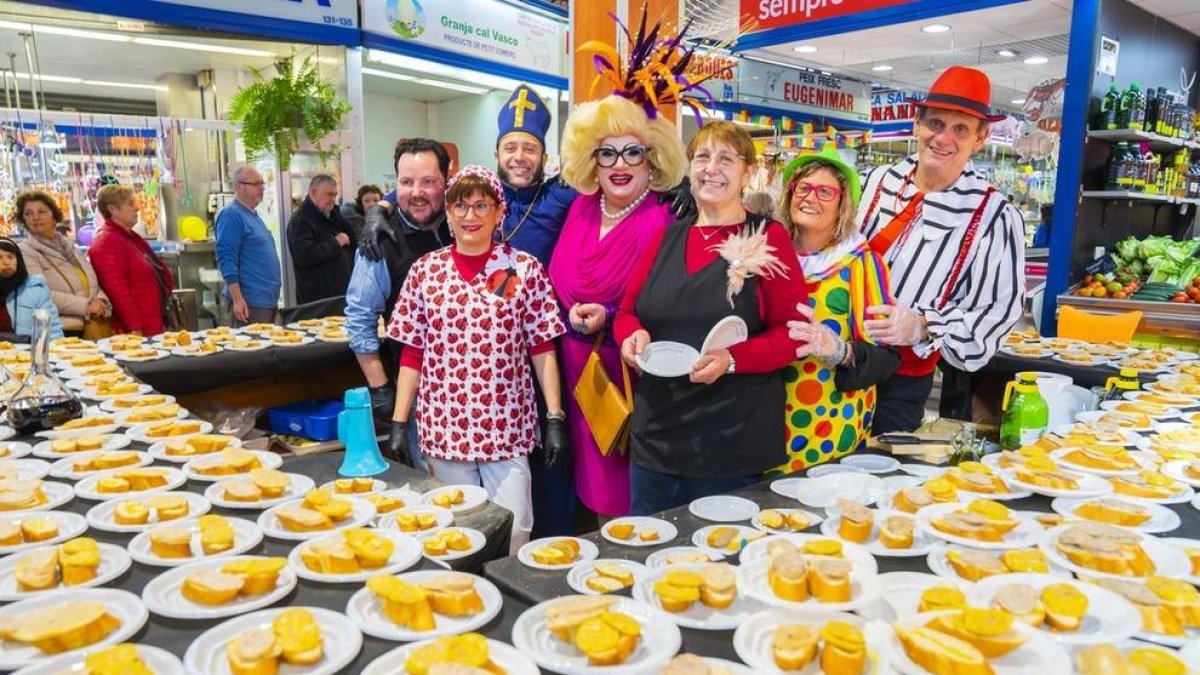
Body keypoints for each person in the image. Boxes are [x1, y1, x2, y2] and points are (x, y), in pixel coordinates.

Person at [615, 121, 807, 515]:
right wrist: (630, 336)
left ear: (748, 172)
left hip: (730, 442)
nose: (711, 168)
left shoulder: (768, 238)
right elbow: (628, 312)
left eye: (725, 158)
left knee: (721, 567)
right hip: (656, 438)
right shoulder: (668, 237)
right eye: (702, 157)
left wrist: (733, 359)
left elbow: (793, 335)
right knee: (650, 554)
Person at [386, 165, 567, 551]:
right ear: (447, 212)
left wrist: (554, 415)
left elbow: (541, 347)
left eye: (482, 205)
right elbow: (412, 352)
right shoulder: (426, 272)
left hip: (508, 427)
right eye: (461, 206)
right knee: (457, 532)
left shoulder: (521, 269)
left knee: (516, 527)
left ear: (499, 212)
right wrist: (400, 421)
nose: (471, 216)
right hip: (444, 426)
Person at [855, 66, 1026, 433]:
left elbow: (995, 312)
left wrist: (922, 325)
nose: (943, 138)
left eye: (960, 129)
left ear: (980, 139)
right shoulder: (874, 182)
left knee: (884, 473)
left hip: (900, 383)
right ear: (917, 125)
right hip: (839, 361)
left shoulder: (995, 216)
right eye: (935, 123)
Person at [549, 94, 687, 520]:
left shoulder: (665, 218)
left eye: (633, 152)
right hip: (579, 370)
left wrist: (609, 316)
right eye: (607, 153)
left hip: (633, 371)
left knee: (631, 490)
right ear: (592, 160)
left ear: (653, 158)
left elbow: (675, 304)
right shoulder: (579, 208)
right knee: (589, 483)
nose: (620, 164)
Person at [776, 146, 900, 473]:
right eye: (803, 187)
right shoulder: (769, 255)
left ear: (842, 204)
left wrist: (838, 349)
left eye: (825, 191)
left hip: (828, 428)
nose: (810, 197)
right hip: (765, 423)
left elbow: (885, 356)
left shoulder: (861, 264)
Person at [345, 138, 451, 467]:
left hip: (477, 390)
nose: (416, 192)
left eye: (428, 182)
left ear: (447, 182)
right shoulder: (381, 240)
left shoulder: (466, 223)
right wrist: (380, 388)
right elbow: (360, 317)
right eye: (406, 182)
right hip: (418, 396)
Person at [15, 190, 110, 336]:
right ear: (23, 220)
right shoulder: (25, 252)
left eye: (42, 211)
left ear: (54, 216)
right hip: (61, 329)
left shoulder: (71, 247)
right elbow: (40, 294)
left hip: (91, 324)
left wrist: (101, 301)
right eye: (28, 213)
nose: (35, 217)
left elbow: (92, 281)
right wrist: (86, 305)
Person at [88, 184, 175, 336]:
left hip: (152, 325)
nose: (137, 208)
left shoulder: (129, 237)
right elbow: (116, 290)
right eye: (130, 204)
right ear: (112, 209)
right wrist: (134, 327)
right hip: (135, 332)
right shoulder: (107, 241)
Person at [215, 165, 281, 326]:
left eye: (262, 184)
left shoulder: (253, 215)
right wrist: (237, 299)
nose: (262, 188)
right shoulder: (231, 214)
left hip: (266, 303)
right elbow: (226, 258)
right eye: (256, 184)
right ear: (238, 187)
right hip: (249, 304)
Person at [286, 174, 356, 304]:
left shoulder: (333, 215)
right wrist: (336, 243)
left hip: (341, 297)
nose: (333, 199)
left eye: (335, 195)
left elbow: (353, 243)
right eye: (329, 194)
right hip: (318, 302)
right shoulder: (300, 220)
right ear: (313, 193)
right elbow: (304, 256)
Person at [0, 237, 63, 340]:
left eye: (10, 257)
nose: (6, 262)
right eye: (0, 257)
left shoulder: (35, 290)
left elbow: (52, 330)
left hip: (26, 353)